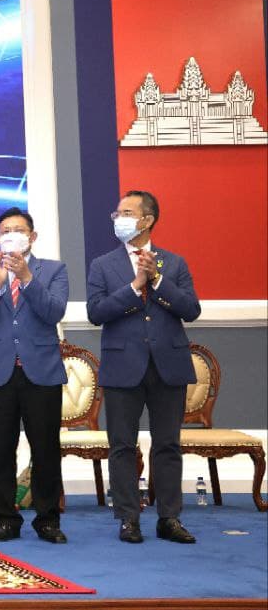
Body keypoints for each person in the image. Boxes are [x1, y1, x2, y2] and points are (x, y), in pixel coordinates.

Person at [87, 190, 201, 544]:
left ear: (147, 220)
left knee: (168, 445)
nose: (118, 218)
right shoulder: (103, 265)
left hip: (168, 365)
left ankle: (169, 518)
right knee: (122, 445)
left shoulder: (174, 263)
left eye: (126, 212)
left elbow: (191, 310)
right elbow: (96, 313)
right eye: (117, 213)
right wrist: (136, 286)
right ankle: (128, 518)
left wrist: (158, 282)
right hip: (123, 365)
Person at [0, 207, 69, 544]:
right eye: (5, 231)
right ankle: (6, 519)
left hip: (42, 373)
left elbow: (54, 311)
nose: (12, 235)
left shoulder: (53, 270)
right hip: (0, 374)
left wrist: (26, 278)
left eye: (19, 230)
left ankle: (48, 520)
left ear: (32, 237)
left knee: (46, 451)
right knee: (2, 451)